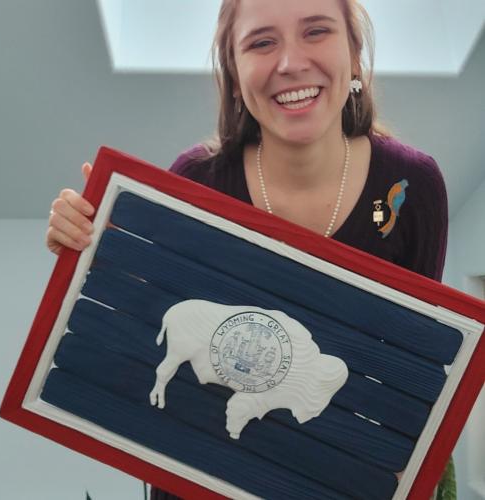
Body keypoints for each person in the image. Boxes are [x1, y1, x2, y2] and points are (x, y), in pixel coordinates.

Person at [46, 0, 455, 498]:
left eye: (316, 31)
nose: (290, 63)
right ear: (235, 74)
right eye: (261, 42)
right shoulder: (193, 182)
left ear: (354, 52)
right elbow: (139, 327)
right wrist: (87, 249)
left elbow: (413, 374)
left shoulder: (413, 186)